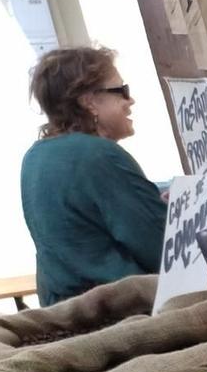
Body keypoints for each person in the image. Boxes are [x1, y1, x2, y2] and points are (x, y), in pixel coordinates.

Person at [20, 46, 168, 305]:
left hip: (61, 313)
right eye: (121, 91)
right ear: (89, 101)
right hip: (114, 314)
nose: (129, 100)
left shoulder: (35, 156)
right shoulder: (99, 155)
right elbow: (164, 249)